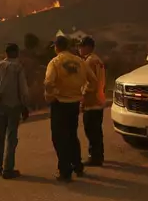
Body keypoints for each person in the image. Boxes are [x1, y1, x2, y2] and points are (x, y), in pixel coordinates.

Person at [44, 35, 98, 182]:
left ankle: (65, 170)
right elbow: (93, 80)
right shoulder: (80, 61)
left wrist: (51, 96)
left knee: (59, 138)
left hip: (60, 103)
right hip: (74, 103)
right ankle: (77, 165)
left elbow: (48, 82)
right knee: (72, 135)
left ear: (57, 47)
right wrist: (85, 93)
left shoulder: (54, 62)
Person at [0, 43, 30, 179]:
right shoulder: (18, 67)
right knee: (11, 137)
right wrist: (25, 106)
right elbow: (23, 90)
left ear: (5, 53)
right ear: (16, 53)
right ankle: (8, 169)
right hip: (14, 106)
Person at [79, 36, 106, 166]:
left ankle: (94, 157)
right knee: (97, 130)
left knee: (91, 130)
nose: (80, 49)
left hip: (92, 101)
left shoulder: (89, 62)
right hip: (100, 99)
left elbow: (91, 83)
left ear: (88, 47)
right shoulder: (98, 60)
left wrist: (83, 98)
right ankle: (99, 155)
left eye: (81, 46)